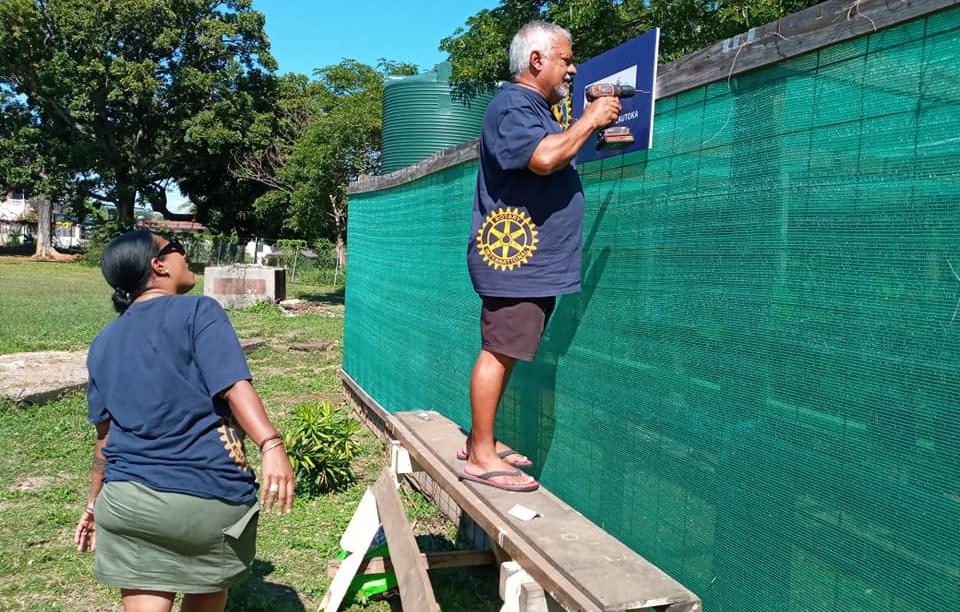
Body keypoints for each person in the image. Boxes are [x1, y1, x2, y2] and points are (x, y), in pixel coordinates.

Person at [73, 229, 295, 612]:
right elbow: (233, 386)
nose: (184, 254)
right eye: (175, 248)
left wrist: (93, 505)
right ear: (158, 266)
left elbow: (104, 441)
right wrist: (271, 444)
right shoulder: (199, 311)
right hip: (206, 501)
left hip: (127, 504)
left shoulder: (103, 342)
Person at [459, 21, 621, 492]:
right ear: (537, 60)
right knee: (499, 351)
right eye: (566, 60)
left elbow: (553, 152)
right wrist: (588, 120)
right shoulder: (513, 105)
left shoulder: (533, 108)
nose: (572, 69)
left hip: (527, 261)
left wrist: (583, 128)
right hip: (516, 260)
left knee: (505, 350)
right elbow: (544, 157)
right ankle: (481, 456)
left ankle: (480, 441)